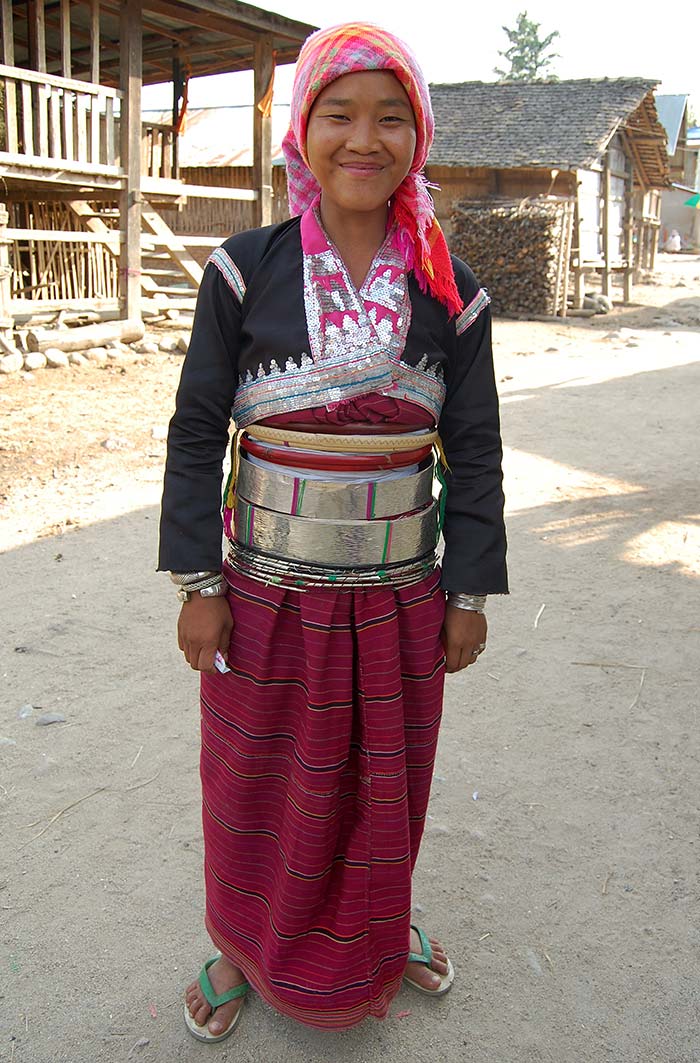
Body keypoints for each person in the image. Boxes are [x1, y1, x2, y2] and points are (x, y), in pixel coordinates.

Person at [159, 21, 507, 1042]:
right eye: (339, 115)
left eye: (391, 117)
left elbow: (475, 449)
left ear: (420, 137)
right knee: (255, 776)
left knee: (381, 774)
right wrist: (197, 580)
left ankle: (378, 927)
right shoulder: (241, 270)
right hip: (265, 595)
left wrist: (468, 590)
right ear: (300, 132)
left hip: (401, 596)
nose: (365, 139)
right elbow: (194, 431)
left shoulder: (451, 291)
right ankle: (240, 941)